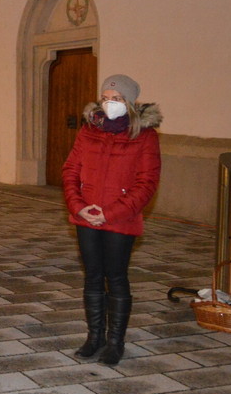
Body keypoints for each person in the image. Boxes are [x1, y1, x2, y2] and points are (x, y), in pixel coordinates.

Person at [62, 74, 161, 365]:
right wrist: (78, 206)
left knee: (115, 277)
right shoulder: (89, 130)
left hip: (121, 219)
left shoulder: (144, 136)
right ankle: (95, 337)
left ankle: (115, 342)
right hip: (86, 216)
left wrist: (112, 212)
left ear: (130, 103)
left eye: (116, 99)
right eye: (105, 98)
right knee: (93, 276)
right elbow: (70, 170)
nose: (109, 103)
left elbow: (147, 183)